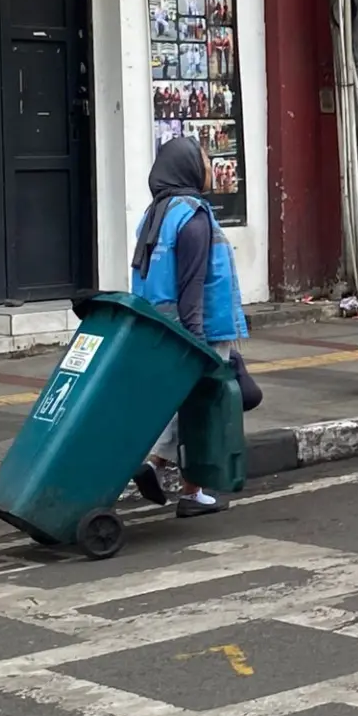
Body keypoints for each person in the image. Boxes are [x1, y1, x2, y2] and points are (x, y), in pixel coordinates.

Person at [129, 137, 261, 517]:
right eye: (204, 159)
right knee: (200, 406)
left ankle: (182, 482)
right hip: (197, 327)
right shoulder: (193, 217)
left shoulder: (155, 213)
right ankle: (177, 479)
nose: (209, 166)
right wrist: (197, 340)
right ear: (187, 167)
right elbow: (193, 285)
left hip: (160, 323)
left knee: (184, 401)